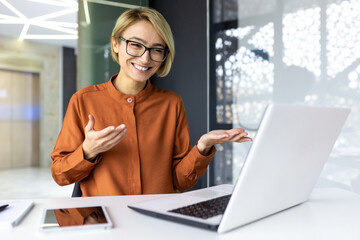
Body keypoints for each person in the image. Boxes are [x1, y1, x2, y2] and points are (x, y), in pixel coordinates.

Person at [51, 8, 251, 197]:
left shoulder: (171, 104)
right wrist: (88, 151)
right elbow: (60, 175)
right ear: (116, 44)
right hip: (106, 223)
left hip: (158, 218)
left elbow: (181, 181)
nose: (146, 58)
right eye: (136, 45)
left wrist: (203, 146)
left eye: (156, 50)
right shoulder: (84, 100)